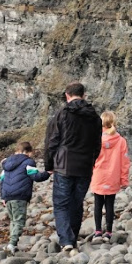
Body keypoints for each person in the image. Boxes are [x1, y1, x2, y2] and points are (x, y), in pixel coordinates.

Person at [44, 82, 102, 252]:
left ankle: (67, 240)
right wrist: (91, 161)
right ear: (83, 95)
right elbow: (97, 145)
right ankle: (73, 238)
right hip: (84, 166)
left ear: (67, 95)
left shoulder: (62, 114)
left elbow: (51, 141)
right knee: (76, 203)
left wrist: (49, 164)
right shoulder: (94, 117)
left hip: (64, 165)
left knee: (61, 203)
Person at [0, 141, 51, 254]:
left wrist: (3, 196)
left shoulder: (6, 163)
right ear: (27, 152)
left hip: (8, 195)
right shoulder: (28, 162)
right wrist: (47, 173)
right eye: (31, 153)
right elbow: (36, 176)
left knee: (13, 220)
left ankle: (12, 243)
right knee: (19, 221)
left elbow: (2, 181)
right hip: (20, 195)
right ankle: (12, 244)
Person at [90, 111, 131, 241]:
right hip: (113, 176)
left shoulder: (95, 139)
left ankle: (97, 231)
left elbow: (90, 158)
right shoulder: (121, 141)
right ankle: (108, 232)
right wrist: (124, 180)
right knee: (110, 205)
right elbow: (125, 162)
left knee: (97, 204)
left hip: (98, 175)